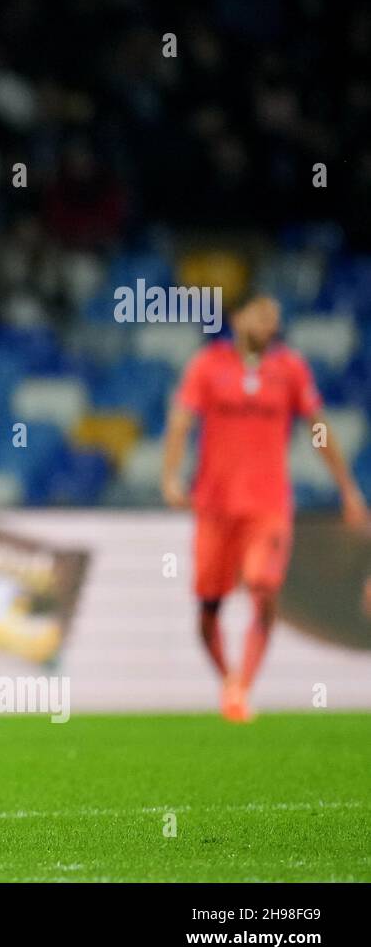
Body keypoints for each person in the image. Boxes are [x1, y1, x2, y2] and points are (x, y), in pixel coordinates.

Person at [162, 296, 367, 722]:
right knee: (208, 611)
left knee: (263, 586)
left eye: (274, 317)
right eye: (260, 314)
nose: (269, 323)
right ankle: (229, 679)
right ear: (237, 319)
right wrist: (170, 477)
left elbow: (318, 429)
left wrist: (347, 487)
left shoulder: (289, 369)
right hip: (215, 506)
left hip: (269, 505)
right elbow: (181, 422)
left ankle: (242, 687)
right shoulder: (207, 366)